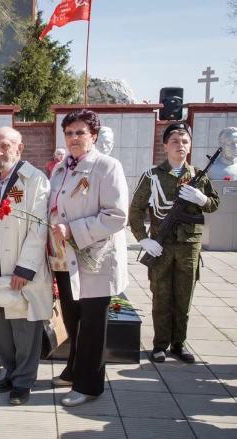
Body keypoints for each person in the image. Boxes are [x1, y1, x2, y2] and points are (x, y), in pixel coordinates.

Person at [48, 109, 129, 407]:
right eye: (69, 133)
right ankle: (73, 370)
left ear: (93, 135)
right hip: (65, 258)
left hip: (95, 259)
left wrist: (72, 229)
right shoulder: (61, 168)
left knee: (93, 325)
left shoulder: (107, 167)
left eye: (80, 132)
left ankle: (89, 385)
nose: (73, 138)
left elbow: (116, 215)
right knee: (73, 320)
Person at [130, 122, 220, 364]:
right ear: (165, 146)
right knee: (161, 296)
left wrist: (202, 199)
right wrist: (143, 238)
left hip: (190, 246)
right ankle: (160, 345)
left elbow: (213, 203)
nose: (180, 146)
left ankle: (179, 343)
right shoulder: (153, 175)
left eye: (185, 142)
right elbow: (136, 209)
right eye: (175, 141)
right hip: (162, 245)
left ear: (190, 146)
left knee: (184, 297)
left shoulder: (199, 175)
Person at [0, 126, 53, 406]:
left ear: (19, 148)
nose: (0, 152)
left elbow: (38, 227)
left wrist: (25, 268)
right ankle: (10, 373)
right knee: (2, 330)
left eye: (6, 146)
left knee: (24, 330)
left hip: (22, 267)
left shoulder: (35, 180)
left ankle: (24, 381)